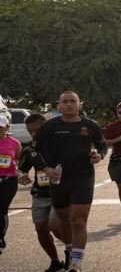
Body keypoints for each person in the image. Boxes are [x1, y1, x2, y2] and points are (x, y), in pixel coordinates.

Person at [29, 91, 108, 272]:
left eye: (73, 101)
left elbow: (102, 144)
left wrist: (100, 154)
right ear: (59, 106)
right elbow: (32, 151)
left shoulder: (90, 125)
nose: (69, 104)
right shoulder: (49, 126)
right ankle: (70, 249)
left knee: (78, 220)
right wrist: (46, 169)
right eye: (65, 101)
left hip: (83, 178)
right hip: (58, 180)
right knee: (64, 221)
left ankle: (76, 263)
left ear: (80, 104)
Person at [18, 113, 66, 271]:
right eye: (30, 131)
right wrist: (22, 175)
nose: (33, 134)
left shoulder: (61, 144)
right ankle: (55, 261)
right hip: (40, 193)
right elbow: (22, 169)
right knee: (41, 229)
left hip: (61, 192)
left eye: (37, 130)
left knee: (55, 224)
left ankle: (71, 248)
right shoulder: (30, 148)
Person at [0, 116, 21, 255]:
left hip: (9, 180)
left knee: (1, 209)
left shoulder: (15, 143)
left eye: (1, 127)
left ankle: (0, 238)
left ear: (7, 128)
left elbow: (18, 159)